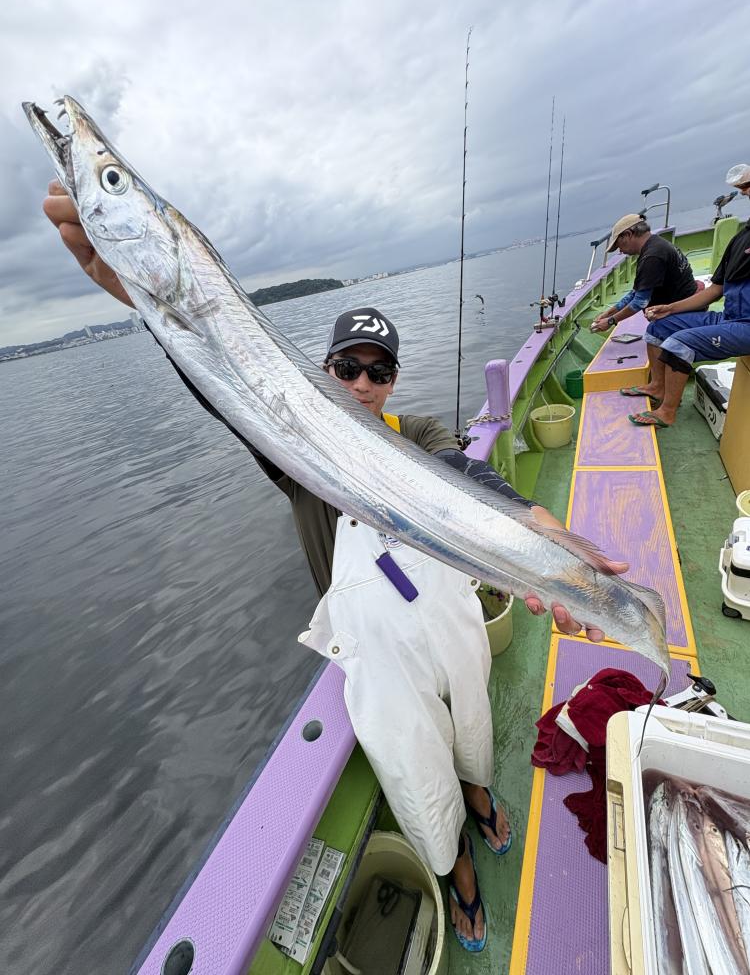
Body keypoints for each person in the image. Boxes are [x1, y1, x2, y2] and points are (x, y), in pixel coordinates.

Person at [42, 179, 628, 952]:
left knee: (473, 727)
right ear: (323, 372)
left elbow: (470, 481)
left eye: (377, 372)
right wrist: (151, 302)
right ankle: (458, 868)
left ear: (393, 381)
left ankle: (484, 800)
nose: (360, 385)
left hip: (448, 621)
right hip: (376, 657)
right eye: (346, 368)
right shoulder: (298, 453)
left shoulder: (419, 433)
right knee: (418, 778)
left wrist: (546, 539)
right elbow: (229, 387)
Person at [626, 164, 750, 428]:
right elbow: (715, 290)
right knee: (659, 328)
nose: (744, 192)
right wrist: (670, 308)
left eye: (746, 187)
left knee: (680, 342)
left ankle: (667, 412)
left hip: (747, 326)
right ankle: (657, 386)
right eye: (744, 188)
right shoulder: (740, 240)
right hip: (730, 317)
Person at [590, 213, 698, 338]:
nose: (620, 250)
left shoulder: (652, 256)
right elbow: (636, 292)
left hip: (681, 313)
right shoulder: (656, 243)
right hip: (686, 304)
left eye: (619, 245)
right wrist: (609, 313)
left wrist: (610, 321)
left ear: (628, 234)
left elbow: (640, 302)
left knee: (652, 335)